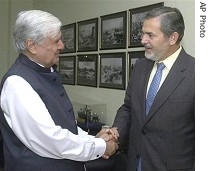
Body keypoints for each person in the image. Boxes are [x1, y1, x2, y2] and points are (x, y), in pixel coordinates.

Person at [0, 10, 118, 171]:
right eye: (56, 41)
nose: (62, 45)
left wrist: (93, 138)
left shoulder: (45, 72)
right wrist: (100, 147)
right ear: (32, 46)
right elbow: (50, 139)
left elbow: (63, 125)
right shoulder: (17, 83)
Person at [110, 6, 195, 171]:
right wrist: (115, 134)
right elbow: (128, 108)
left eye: (150, 35)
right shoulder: (141, 67)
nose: (143, 40)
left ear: (173, 37)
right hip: (134, 164)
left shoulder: (198, 73)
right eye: (143, 33)